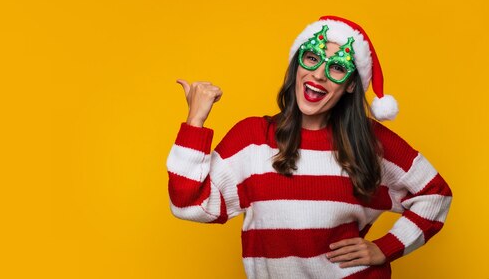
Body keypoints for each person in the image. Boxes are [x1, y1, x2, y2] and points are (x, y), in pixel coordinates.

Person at [165, 16, 452, 279]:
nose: (319, 74)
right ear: (297, 64)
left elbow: (435, 193)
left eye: (337, 67)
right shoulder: (252, 138)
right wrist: (195, 120)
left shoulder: (369, 142)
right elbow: (189, 204)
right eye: (312, 57)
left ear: (351, 85)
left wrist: (385, 247)